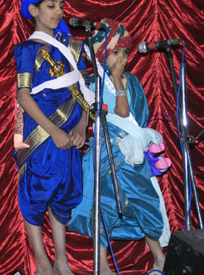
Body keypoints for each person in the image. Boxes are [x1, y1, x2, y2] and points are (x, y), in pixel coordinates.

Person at [68, 18, 169, 274]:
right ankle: (102, 265)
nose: (122, 57)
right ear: (102, 55)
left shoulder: (133, 82)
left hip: (132, 157)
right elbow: (116, 113)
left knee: (144, 202)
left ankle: (159, 259)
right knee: (104, 207)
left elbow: (135, 115)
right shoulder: (92, 83)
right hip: (105, 156)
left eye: (125, 52)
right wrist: (114, 78)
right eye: (115, 52)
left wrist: (120, 80)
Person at [13, 0, 93, 275]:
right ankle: (42, 263)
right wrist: (54, 130)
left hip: (73, 131)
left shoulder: (74, 48)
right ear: (33, 10)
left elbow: (86, 92)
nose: (58, 11)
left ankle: (62, 260)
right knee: (37, 192)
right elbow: (23, 95)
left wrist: (83, 126)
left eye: (60, 5)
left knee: (66, 192)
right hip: (43, 132)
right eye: (50, 5)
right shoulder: (27, 49)